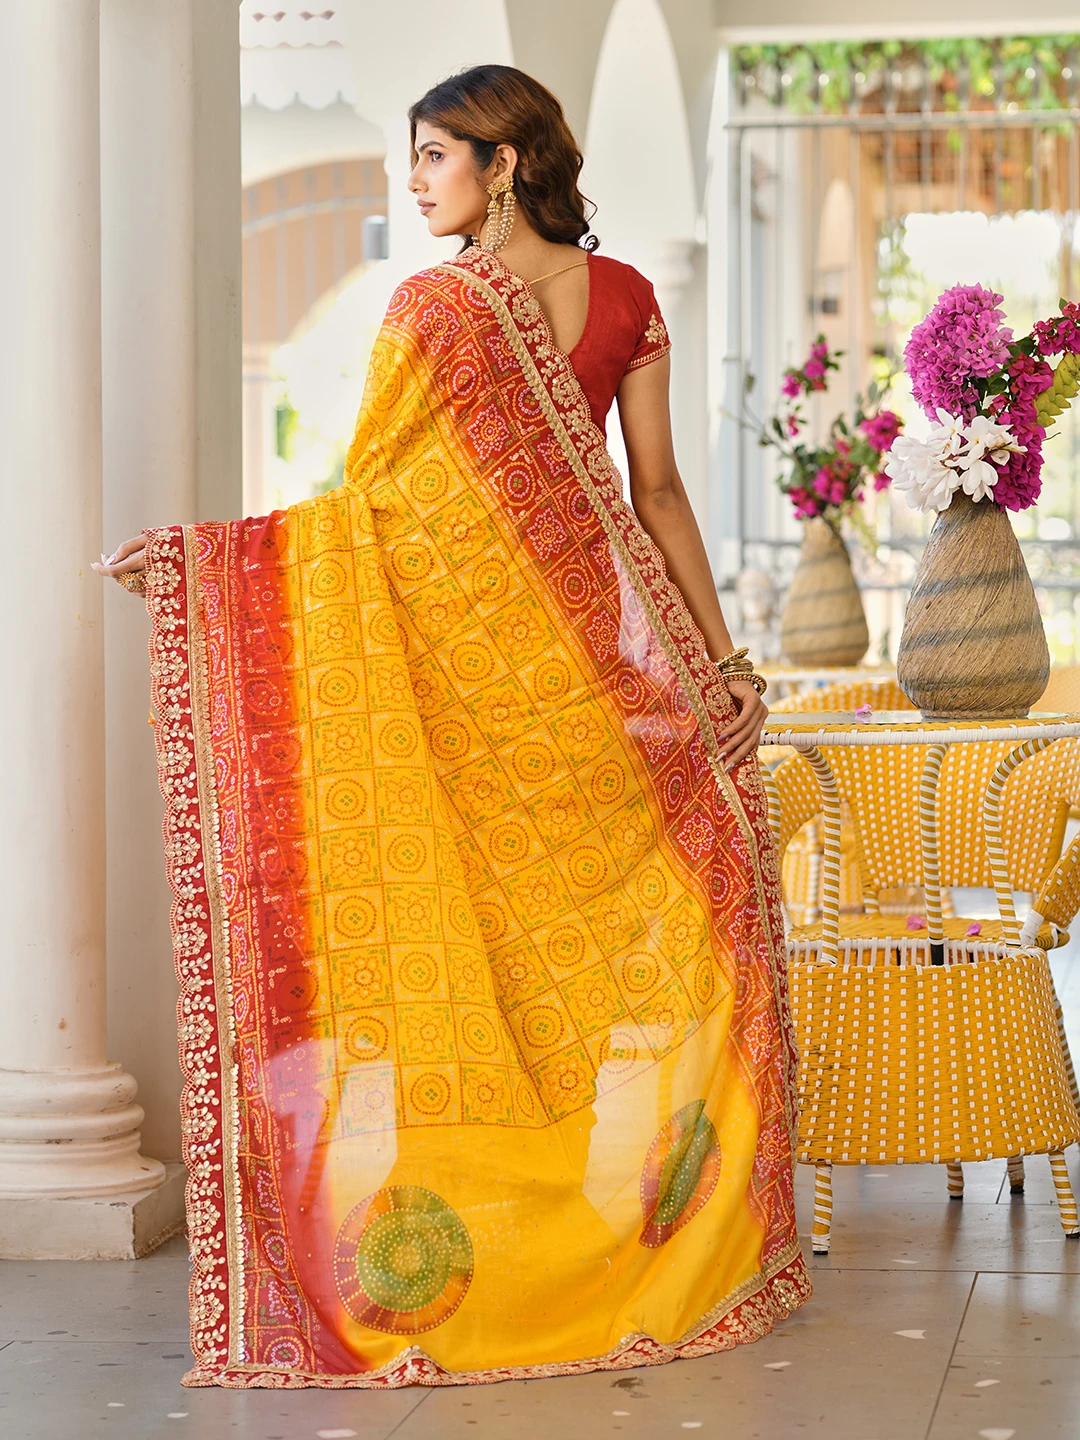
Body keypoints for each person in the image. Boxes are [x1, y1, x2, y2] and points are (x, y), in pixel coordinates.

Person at [94, 63, 808, 1390]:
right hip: (606, 698)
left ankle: (499, 1256)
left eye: (433, 155)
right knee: (615, 975)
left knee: (496, 975)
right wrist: (719, 668)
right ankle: (637, 1243)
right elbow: (657, 494)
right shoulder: (621, 298)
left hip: (501, 713)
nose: (413, 180)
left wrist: (206, 569)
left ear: (504, 164)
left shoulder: (433, 308)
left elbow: (370, 512)